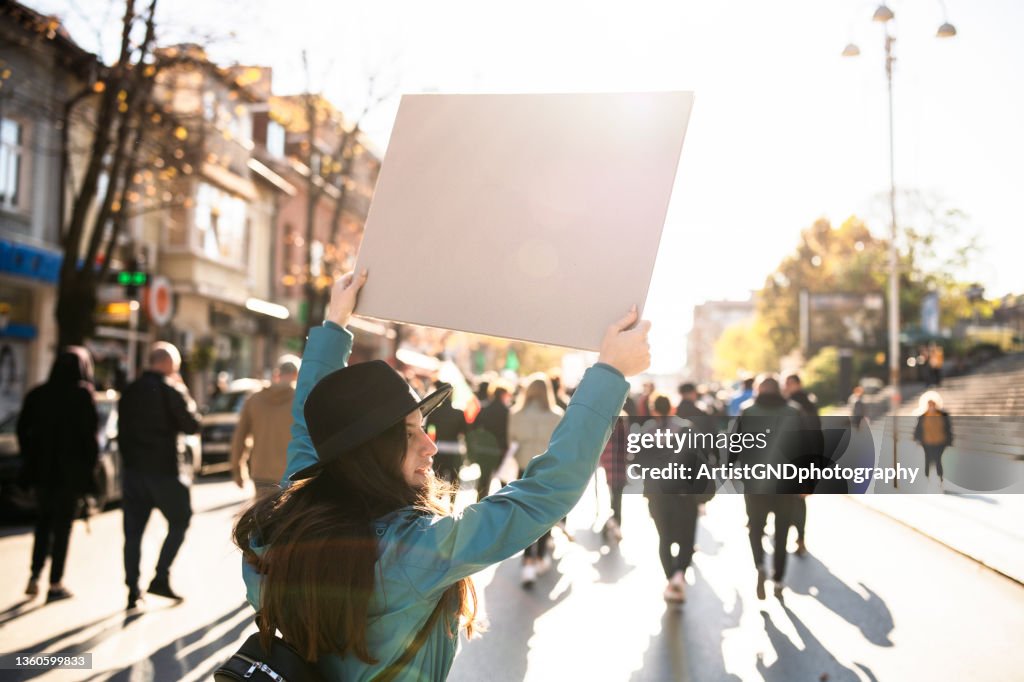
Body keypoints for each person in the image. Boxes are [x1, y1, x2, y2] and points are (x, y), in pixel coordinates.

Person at [234, 271, 650, 680]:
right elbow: (541, 494)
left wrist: (335, 324)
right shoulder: (412, 551)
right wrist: (609, 374)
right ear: (369, 454)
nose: (429, 445)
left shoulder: (283, 525)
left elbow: (311, 430)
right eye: (411, 434)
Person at [118, 342, 201, 609]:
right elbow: (192, 425)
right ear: (166, 364)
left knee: (133, 534)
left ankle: (133, 590)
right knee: (181, 519)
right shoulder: (171, 389)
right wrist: (184, 392)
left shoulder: (129, 391)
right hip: (165, 471)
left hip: (133, 473)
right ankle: (160, 577)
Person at [17, 347, 99, 603]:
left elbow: (22, 430)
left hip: (43, 474)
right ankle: (55, 583)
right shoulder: (83, 395)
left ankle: (34, 575)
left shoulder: (38, 394)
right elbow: (91, 440)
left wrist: (32, 459)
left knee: (43, 523)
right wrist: (89, 473)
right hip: (70, 477)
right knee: (62, 528)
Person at [730, 375, 803, 600]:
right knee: (781, 533)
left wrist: (732, 469)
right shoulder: (794, 412)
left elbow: (734, 445)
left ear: (759, 391)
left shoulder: (747, 411)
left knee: (755, 527)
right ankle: (779, 579)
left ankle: (760, 564)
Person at [641, 395, 705, 603]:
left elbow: (639, 462)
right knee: (687, 537)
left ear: (653, 409)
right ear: (672, 407)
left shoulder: (647, 432)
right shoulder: (686, 428)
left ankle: (671, 577)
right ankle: (679, 573)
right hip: (684, 493)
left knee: (664, 537)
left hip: (657, 493)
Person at [508, 373, 564, 587]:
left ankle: (527, 558)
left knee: (524, 513)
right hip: (546, 470)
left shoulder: (515, 414)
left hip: (523, 468)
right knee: (544, 512)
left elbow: (511, 441)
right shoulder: (556, 415)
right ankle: (541, 555)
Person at [230, 355, 301, 499]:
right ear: (297, 374)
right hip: (292, 472)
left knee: (263, 518)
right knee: (288, 519)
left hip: (261, 471)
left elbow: (240, 437)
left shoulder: (254, 399)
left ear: (277, 374)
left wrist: (238, 469)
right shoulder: (300, 400)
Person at [783, 374, 821, 557]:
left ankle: (799, 536)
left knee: (795, 499)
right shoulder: (805, 402)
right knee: (798, 499)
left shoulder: (796, 404)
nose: (788, 386)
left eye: (790, 383)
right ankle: (799, 536)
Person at [424, 380, 468, 495]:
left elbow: (427, 431)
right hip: (455, 449)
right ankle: (452, 506)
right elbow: (465, 432)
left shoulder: (434, 412)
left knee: (438, 481)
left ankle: (437, 507)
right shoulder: (459, 413)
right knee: (455, 481)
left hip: (439, 449)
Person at [468, 382, 510, 500]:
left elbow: (473, 428)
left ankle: (480, 504)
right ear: (503, 394)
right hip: (501, 450)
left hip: (485, 449)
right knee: (503, 481)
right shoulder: (507, 412)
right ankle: (503, 506)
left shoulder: (484, 409)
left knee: (483, 481)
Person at [913, 390, 953, 490]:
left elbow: (948, 428)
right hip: (927, 442)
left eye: (933, 404)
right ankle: (927, 477)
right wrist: (917, 439)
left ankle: (940, 478)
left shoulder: (942, 415)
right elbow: (918, 429)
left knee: (938, 460)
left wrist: (949, 441)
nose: (931, 406)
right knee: (928, 460)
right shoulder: (923, 416)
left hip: (940, 441)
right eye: (929, 404)